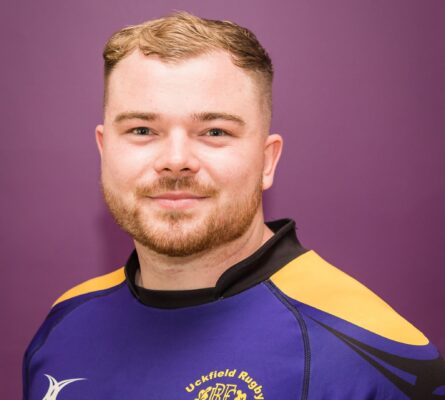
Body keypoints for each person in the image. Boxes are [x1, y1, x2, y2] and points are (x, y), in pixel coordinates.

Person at [23, 11, 445, 400]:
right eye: (142, 129)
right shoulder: (64, 328)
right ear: (104, 150)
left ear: (267, 161)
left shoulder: (376, 358)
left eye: (214, 132)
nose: (176, 159)